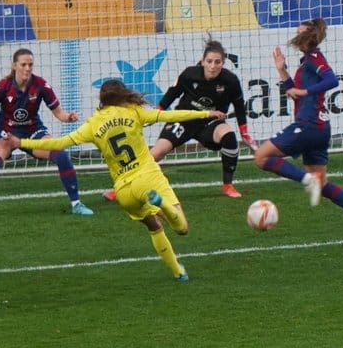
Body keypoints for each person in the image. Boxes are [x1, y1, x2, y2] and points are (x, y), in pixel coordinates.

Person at [18, 79, 222, 281]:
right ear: (122, 95)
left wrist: (20, 142)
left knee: (154, 226)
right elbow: (169, 115)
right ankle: (162, 204)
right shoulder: (133, 110)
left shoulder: (93, 123)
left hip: (124, 191)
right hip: (148, 177)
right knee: (182, 228)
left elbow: (59, 142)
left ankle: (178, 271)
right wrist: (205, 113)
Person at [251, 17, 343, 232]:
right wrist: (282, 71)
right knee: (321, 183)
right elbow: (295, 93)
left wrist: (304, 91)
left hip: (308, 125)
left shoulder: (314, 57)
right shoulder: (306, 62)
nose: (296, 34)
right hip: (320, 128)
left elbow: (332, 80)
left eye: (299, 31)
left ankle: (306, 179)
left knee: (261, 157)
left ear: (307, 35)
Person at [102, 38, 251, 203]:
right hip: (184, 119)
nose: (213, 66)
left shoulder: (230, 81)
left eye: (218, 62)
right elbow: (173, 92)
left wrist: (244, 132)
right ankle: (121, 188)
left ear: (223, 63)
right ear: (202, 61)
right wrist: (158, 111)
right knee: (156, 153)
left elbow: (239, 106)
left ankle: (228, 185)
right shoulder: (189, 74)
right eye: (209, 61)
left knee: (229, 136)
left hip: (210, 122)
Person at [0, 47, 93, 221]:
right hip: (6, 132)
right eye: (23, 64)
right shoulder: (3, 86)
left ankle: (76, 204)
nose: (27, 68)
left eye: (30, 64)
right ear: (15, 65)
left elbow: (59, 113)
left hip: (32, 130)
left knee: (60, 154)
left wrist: (68, 117)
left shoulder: (41, 85)